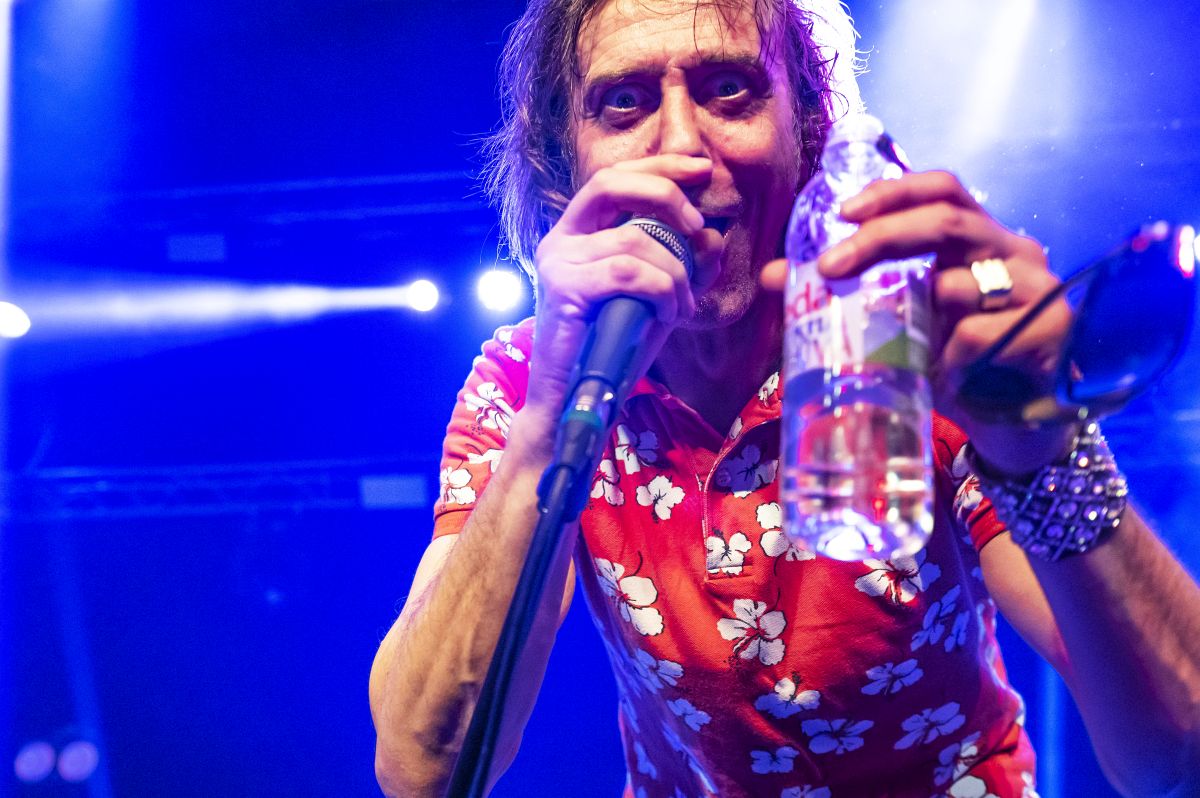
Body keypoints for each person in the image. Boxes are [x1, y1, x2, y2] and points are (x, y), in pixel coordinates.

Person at [369, 1, 1200, 795]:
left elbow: (1172, 752)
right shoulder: (530, 379)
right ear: (564, 166)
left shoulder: (906, 336)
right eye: (624, 103)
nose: (684, 149)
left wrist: (1039, 438)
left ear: (807, 129)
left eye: (729, 88)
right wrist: (550, 422)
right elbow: (421, 769)